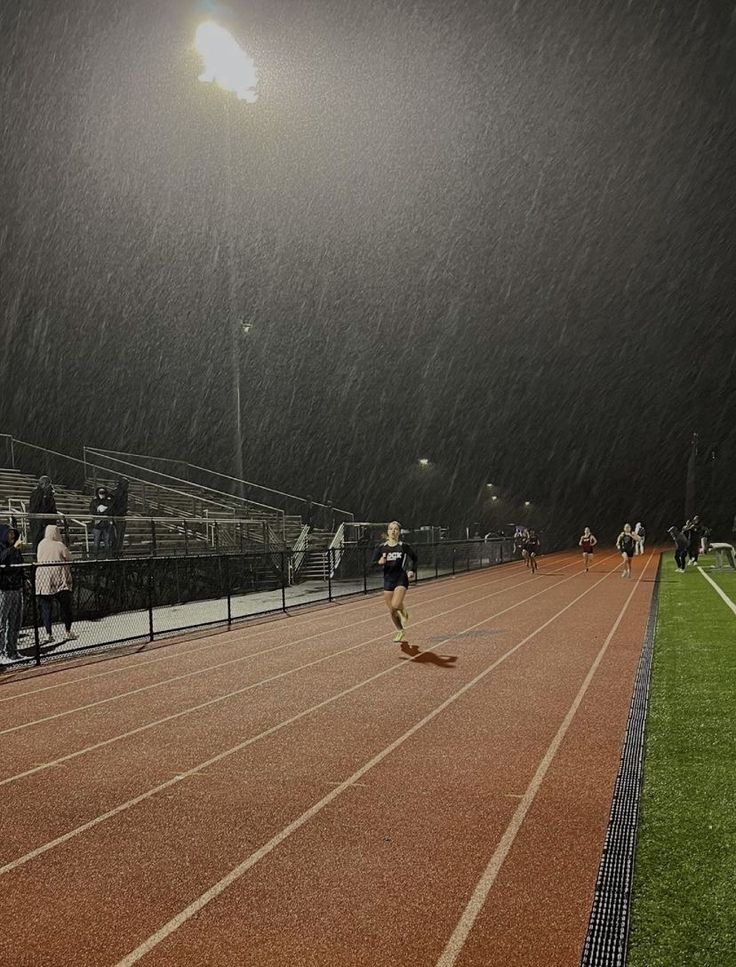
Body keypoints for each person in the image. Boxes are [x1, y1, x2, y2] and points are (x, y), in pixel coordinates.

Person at [372, 520, 417, 644]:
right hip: (388, 579)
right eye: (391, 529)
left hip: (400, 578)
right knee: (392, 610)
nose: (393, 531)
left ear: (399, 532)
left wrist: (411, 570)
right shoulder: (381, 547)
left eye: (396, 529)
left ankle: (403, 610)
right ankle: (400, 631)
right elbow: (371, 563)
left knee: (396, 605)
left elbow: (414, 558)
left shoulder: (403, 546)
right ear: (387, 531)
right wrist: (379, 562)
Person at [35, 525, 77, 644]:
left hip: (43, 578)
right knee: (66, 607)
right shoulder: (60, 545)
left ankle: (48, 633)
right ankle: (68, 631)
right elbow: (69, 558)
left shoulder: (41, 544)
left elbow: (39, 557)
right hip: (59, 577)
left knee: (46, 607)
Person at [0, 527, 25, 662]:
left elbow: (20, 565)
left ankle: (13, 650)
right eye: (9, 533)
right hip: (4, 589)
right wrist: (13, 549)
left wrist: (24, 578)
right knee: (2, 623)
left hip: (17, 588)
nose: (12, 536)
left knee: (15, 622)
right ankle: (1, 652)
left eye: (13, 533)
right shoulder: (3, 547)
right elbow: (1, 559)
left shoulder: (16, 550)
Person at [28, 475, 57, 554]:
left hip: (46, 521)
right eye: (47, 484)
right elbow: (37, 507)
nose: (49, 486)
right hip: (38, 522)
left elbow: (52, 508)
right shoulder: (37, 493)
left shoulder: (49, 494)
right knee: (38, 540)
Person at [89, 486, 113, 555]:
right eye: (100, 492)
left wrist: (104, 509)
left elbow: (110, 510)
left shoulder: (108, 501)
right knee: (96, 542)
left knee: (107, 542)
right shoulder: (94, 501)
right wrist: (98, 509)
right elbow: (92, 510)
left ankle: (108, 557)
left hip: (106, 525)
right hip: (97, 525)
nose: (102, 494)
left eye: (103, 492)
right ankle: (95, 556)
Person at [109, 478, 129, 555]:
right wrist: (116, 514)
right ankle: (115, 552)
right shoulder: (115, 492)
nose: (127, 486)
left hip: (122, 516)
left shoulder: (124, 493)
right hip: (117, 517)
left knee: (120, 536)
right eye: (126, 484)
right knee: (116, 536)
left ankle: (118, 551)